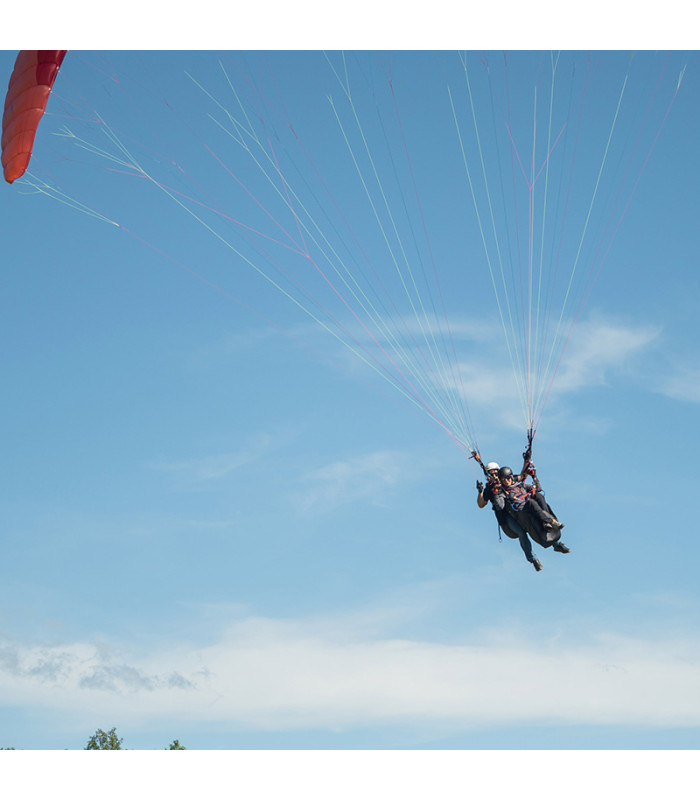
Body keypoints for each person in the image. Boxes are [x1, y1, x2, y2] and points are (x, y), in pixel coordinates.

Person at [476, 461, 542, 570]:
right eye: (491, 474)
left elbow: (522, 476)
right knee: (521, 533)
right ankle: (533, 559)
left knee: (537, 518)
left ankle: (556, 543)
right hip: (507, 517)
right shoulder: (490, 489)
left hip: (519, 508)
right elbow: (481, 504)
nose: (494, 476)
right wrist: (480, 492)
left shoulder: (507, 479)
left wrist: (526, 460)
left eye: (495, 473)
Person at [498, 465, 571, 561]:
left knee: (539, 496)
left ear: (511, 477)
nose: (506, 481)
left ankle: (547, 523)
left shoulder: (520, 485)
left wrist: (534, 477)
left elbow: (537, 488)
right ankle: (550, 522)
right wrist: (496, 493)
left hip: (532, 507)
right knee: (531, 503)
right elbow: (500, 506)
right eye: (503, 480)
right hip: (522, 511)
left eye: (507, 478)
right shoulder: (502, 493)